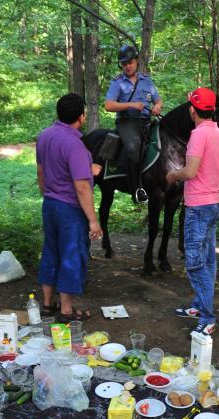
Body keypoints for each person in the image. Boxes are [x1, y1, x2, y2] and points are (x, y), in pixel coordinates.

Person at [166, 87, 219, 336]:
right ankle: (198, 306)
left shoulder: (197, 135)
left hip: (198, 206)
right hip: (214, 202)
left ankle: (207, 316)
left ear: (193, 110)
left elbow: (190, 172)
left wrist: (174, 174)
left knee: (194, 262)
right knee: (208, 259)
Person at [36, 93, 103, 322]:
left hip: (50, 204)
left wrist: (48, 193)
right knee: (71, 255)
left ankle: (47, 304)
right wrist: (93, 220)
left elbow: (41, 171)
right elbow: (82, 186)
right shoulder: (75, 144)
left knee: (51, 251)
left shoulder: (45, 136)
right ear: (81, 117)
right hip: (70, 210)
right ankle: (65, 310)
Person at [104, 44, 162, 204]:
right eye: (124, 64)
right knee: (132, 148)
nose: (127, 66)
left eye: (130, 62)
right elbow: (108, 105)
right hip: (127, 122)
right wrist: (131, 105)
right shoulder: (117, 83)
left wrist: (157, 106)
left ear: (136, 61)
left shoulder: (147, 81)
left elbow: (157, 100)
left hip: (146, 121)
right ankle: (137, 189)